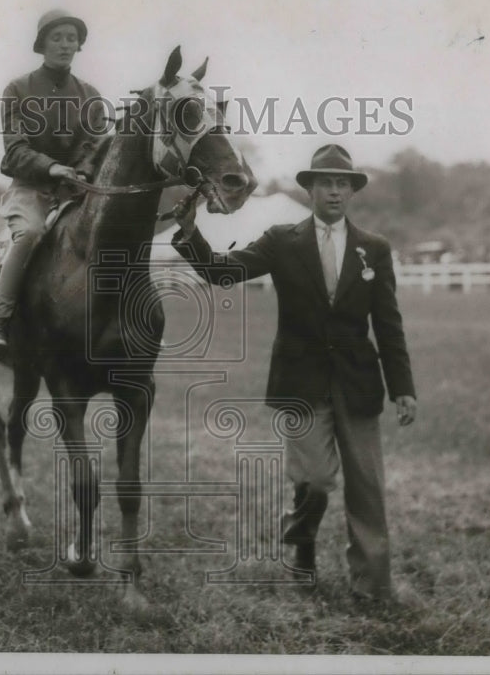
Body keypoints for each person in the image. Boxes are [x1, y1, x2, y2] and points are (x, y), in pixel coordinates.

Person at [172, 143, 417, 601]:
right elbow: (222, 272)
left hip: (358, 383)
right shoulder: (281, 241)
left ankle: (372, 585)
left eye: (343, 183)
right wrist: (189, 236)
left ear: (352, 191)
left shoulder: (374, 250)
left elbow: (388, 324)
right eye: (325, 182)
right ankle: (301, 541)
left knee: (367, 486)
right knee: (316, 481)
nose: (335, 192)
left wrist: (403, 387)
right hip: (300, 383)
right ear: (309, 189)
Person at [0, 9, 107, 354]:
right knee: (32, 233)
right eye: (58, 38)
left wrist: (80, 171)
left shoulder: (92, 95)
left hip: (77, 191)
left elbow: (95, 146)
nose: (66, 45)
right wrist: (52, 168)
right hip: (30, 190)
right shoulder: (18, 90)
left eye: (72, 38)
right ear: (42, 45)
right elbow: (16, 148)